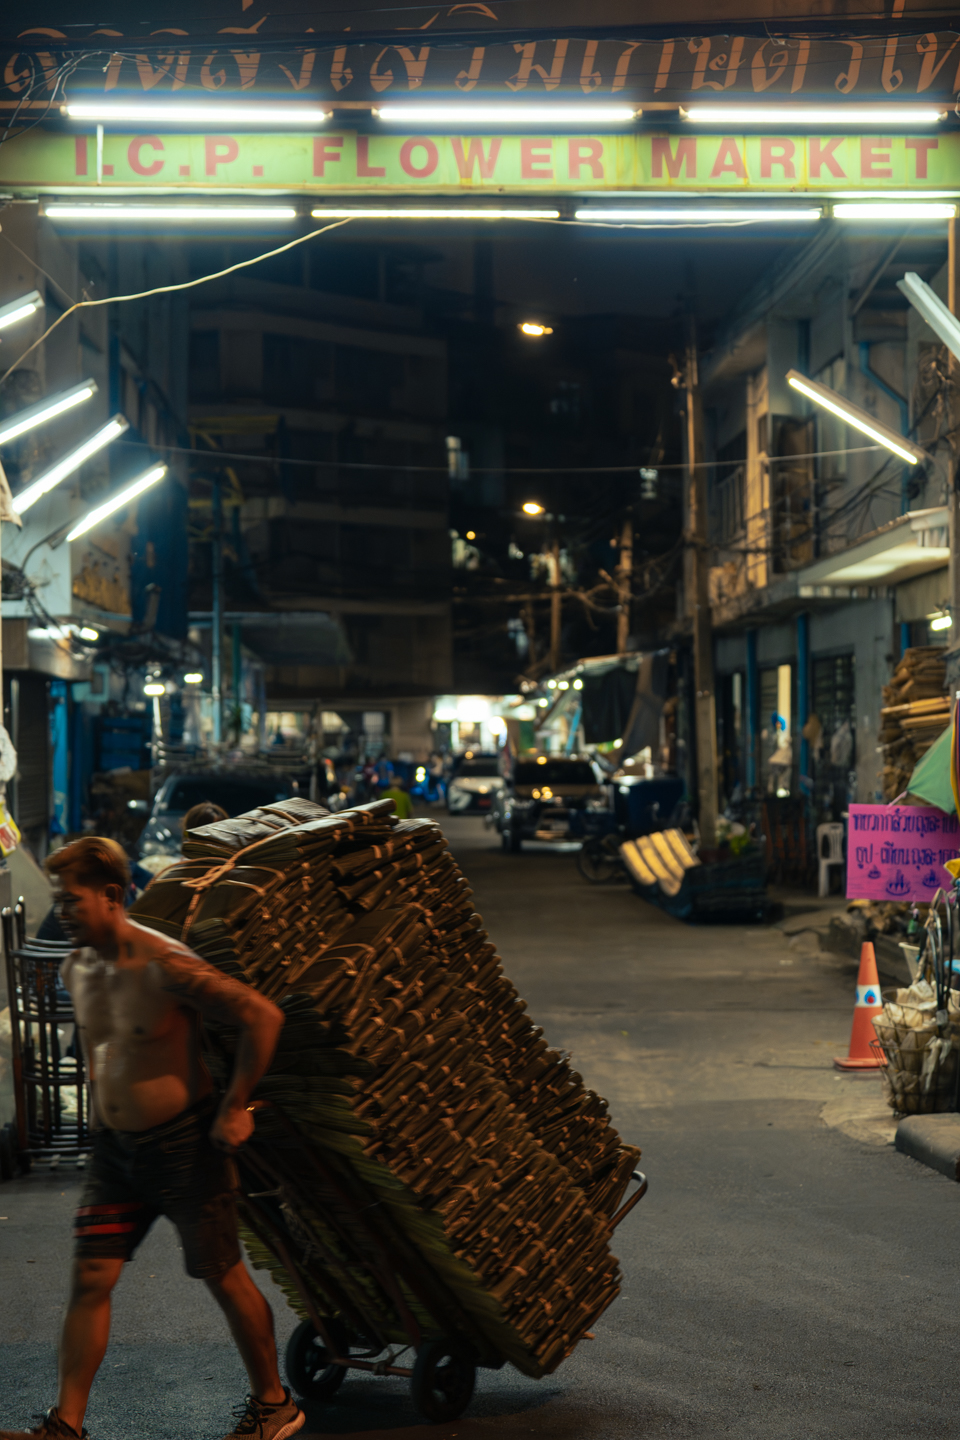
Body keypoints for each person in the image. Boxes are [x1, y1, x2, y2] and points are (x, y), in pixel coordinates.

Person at [0, 836, 303, 1440]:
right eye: (57, 902)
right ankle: (68, 1423)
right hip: (115, 1156)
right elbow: (100, 1049)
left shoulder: (165, 963)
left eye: (70, 901)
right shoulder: (76, 966)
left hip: (184, 1148)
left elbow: (261, 1016)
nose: (60, 912)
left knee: (222, 1273)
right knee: (91, 1279)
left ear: (112, 896)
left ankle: (275, 1404)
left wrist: (237, 1104)